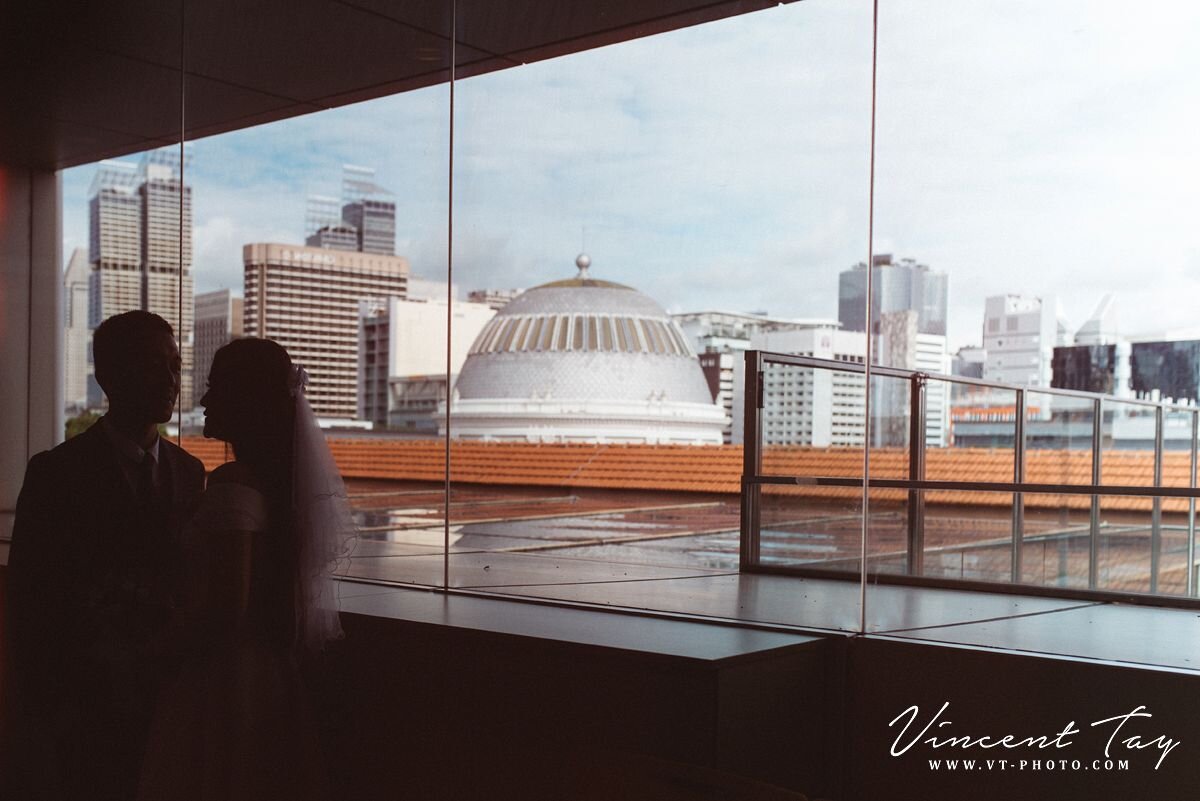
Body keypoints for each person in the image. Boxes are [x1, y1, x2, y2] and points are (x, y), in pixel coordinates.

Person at [137, 337, 353, 801]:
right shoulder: (279, 482)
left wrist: (154, 650)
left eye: (215, 387)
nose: (203, 399)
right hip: (266, 673)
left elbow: (225, 607)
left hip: (221, 677)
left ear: (245, 398)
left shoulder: (233, 481)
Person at [4, 310, 206, 801]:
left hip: (169, 700)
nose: (171, 381)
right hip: (83, 705)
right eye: (154, 365)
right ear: (108, 376)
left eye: (176, 367)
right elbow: (31, 595)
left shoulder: (191, 473)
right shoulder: (55, 472)